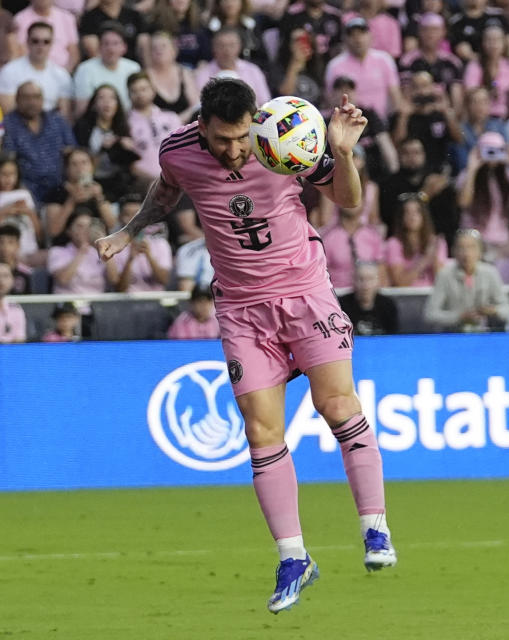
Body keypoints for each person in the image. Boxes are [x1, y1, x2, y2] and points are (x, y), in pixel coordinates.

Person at [95, 78, 397, 613]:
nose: (233, 150)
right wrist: (128, 230)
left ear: (256, 121)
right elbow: (167, 189)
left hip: (305, 292)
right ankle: (294, 559)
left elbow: (348, 200)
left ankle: (375, 529)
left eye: (240, 138)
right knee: (260, 433)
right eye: (221, 140)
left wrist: (344, 153)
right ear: (201, 126)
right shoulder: (179, 151)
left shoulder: (284, 140)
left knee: (338, 405)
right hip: (239, 309)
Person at [1, 81, 76, 206]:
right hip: (27, 189)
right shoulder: (8, 124)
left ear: (42, 99)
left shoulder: (57, 120)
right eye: (26, 97)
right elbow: (9, 160)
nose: (32, 102)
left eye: (36, 97)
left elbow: (72, 150)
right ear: (17, 99)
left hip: (60, 186)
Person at [424, 228, 509, 331]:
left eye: (472, 247)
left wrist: (494, 311)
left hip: (483, 335)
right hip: (453, 336)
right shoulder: (445, 275)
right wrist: (458, 317)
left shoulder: (490, 273)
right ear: (454, 251)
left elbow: (508, 309)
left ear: (480, 251)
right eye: (461, 248)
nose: (466, 253)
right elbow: (430, 314)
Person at [324, 16, 404, 122]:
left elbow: (395, 95)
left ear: (370, 36)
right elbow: (331, 101)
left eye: (361, 33)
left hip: (383, 122)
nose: (357, 39)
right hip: (349, 122)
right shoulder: (335, 65)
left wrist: (396, 122)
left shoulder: (384, 59)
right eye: (352, 35)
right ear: (344, 39)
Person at [73, 84, 140, 201]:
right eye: (101, 98)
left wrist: (128, 149)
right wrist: (102, 149)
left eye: (112, 98)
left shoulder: (122, 128)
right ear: (94, 104)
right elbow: (79, 162)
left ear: (118, 104)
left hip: (119, 180)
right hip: (92, 179)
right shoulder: (84, 127)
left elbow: (131, 165)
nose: (107, 102)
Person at [390, 70, 461, 173]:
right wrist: (404, 117)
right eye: (416, 87)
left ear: (432, 88)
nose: (421, 92)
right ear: (410, 89)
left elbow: (459, 139)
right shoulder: (403, 115)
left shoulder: (441, 114)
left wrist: (448, 114)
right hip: (410, 170)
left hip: (438, 169)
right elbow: (396, 143)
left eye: (425, 86)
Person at [0, 21, 72, 117]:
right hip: (19, 126)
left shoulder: (62, 75)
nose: (40, 46)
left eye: (46, 41)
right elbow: (9, 111)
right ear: (28, 42)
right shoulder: (9, 71)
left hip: (52, 127)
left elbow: (64, 114)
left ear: (52, 44)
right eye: (35, 41)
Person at [43, 147, 117, 239]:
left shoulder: (101, 188)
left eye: (84, 162)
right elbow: (53, 231)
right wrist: (71, 201)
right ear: (67, 168)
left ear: (92, 166)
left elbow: (113, 225)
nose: (80, 167)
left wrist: (99, 197)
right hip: (67, 246)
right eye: (74, 164)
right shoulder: (56, 192)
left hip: (98, 243)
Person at [72, 22, 142, 116]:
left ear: (124, 47)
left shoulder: (134, 68)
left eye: (115, 43)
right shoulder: (85, 69)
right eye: (106, 44)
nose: (111, 49)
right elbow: (81, 110)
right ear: (99, 47)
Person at [127, 72, 183, 185]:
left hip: (179, 178)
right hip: (145, 182)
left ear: (153, 90)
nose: (139, 94)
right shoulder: (125, 124)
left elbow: (184, 149)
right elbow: (130, 164)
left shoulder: (171, 117)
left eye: (143, 89)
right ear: (128, 95)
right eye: (134, 91)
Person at [193, 27, 271, 107]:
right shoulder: (202, 73)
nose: (227, 50)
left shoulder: (253, 70)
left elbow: (265, 103)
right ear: (213, 47)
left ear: (240, 46)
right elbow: (199, 106)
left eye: (232, 45)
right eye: (221, 45)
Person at [49, 209, 119, 295]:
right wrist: (82, 251)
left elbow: (114, 280)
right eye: (80, 226)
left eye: (89, 226)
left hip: (96, 306)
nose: (85, 230)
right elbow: (63, 279)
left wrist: (104, 247)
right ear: (69, 231)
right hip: (68, 305)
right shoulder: (57, 251)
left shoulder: (98, 252)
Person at [113, 193, 173, 292]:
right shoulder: (113, 248)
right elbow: (120, 288)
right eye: (128, 215)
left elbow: (164, 280)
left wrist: (149, 255)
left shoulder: (161, 244)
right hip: (127, 304)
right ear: (119, 218)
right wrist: (130, 259)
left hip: (155, 304)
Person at [384, 194, 447, 286]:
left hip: (432, 294)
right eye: (407, 212)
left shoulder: (436, 242)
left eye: (417, 211)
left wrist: (435, 258)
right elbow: (400, 283)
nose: (412, 216)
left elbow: (442, 281)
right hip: (405, 297)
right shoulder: (393, 244)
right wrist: (425, 259)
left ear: (424, 216)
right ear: (401, 217)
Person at [462, 23, 509, 120]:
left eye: (497, 40)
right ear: (483, 43)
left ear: (504, 43)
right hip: (483, 117)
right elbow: (471, 93)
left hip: (508, 116)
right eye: (489, 40)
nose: (494, 44)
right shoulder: (475, 66)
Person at [144, 30, 201, 123]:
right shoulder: (146, 76)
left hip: (185, 127)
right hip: (157, 130)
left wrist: (175, 122)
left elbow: (195, 105)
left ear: (173, 50)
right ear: (150, 53)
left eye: (163, 46)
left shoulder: (184, 72)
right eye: (154, 48)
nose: (159, 50)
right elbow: (144, 110)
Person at [10, 0, 80, 72]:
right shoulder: (20, 19)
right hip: (31, 72)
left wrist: (64, 73)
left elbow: (73, 52)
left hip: (63, 71)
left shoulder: (67, 18)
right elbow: (20, 51)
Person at [338, 260, 399, 335]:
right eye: (361, 279)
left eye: (370, 279)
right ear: (353, 281)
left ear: (378, 281)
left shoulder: (388, 305)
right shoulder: (341, 306)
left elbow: (393, 337)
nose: (365, 285)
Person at [0, 154, 42, 261]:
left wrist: (29, 212)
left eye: (12, 174)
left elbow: (39, 233)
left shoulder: (24, 194)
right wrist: (6, 211)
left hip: (29, 252)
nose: (8, 178)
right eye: (4, 173)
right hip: (4, 254)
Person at [78, 0, 143, 60]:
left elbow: (143, 40)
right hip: (102, 63)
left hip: (131, 61)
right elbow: (90, 46)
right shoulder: (89, 17)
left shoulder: (133, 15)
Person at [0, 224, 32, 294]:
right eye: (1, 242)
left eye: (10, 242)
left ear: (18, 245)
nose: (5, 247)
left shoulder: (27, 274)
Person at [0, 261, 27, 343]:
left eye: (5, 276)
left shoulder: (16, 310)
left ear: (12, 280)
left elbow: (19, 342)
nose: (1, 280)